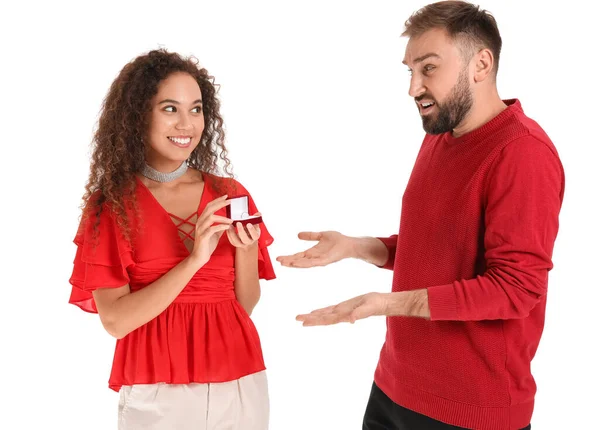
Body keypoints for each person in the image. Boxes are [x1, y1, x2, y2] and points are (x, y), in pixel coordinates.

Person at [277, 1, 564, 429]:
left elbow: (516, 289)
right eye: (409, 70)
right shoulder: (441, 134)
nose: (413, 88)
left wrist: (386, 304)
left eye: (428, 68)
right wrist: (357, 247)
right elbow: (439, 246)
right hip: (394, 388)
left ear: (481, 64)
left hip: (470, 411)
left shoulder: (523, 154)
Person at [67, 49, 275, 430]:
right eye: (169, 108)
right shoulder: (111, 206)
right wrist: (194, 260)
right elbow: (115, 321)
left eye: (196, 109)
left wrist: (245, 251)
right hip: (157, 389)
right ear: (137, 116)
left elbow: (241, 307)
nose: (187, 124)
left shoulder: (229, 193)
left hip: (240, 380)